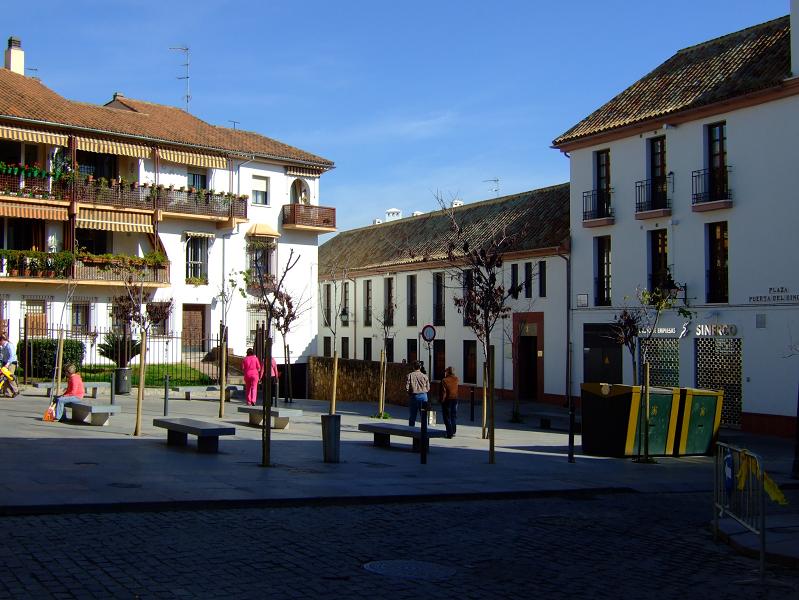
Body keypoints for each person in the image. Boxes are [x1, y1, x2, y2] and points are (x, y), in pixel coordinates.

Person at [405, 360, 430, 427]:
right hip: (424, 397)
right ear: (420, 367)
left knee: (413, 415)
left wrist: (409, 392)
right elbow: (428, 388)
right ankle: (424, 430)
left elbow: (406, 387)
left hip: (414, 397)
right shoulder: (425, 376)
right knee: (424, 414)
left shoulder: (409, 375)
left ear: (413, 367)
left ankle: (411, 430)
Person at [439, 366, 460, 438]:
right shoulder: (456, 379)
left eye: (446, 371)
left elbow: (443, 392)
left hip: (447, 400)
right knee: (453, 416)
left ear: (448, 372)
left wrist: (442, 400)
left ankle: (449, 433)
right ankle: (453, 431)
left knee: (447, 417)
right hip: (455, 399)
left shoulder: (444, 380)